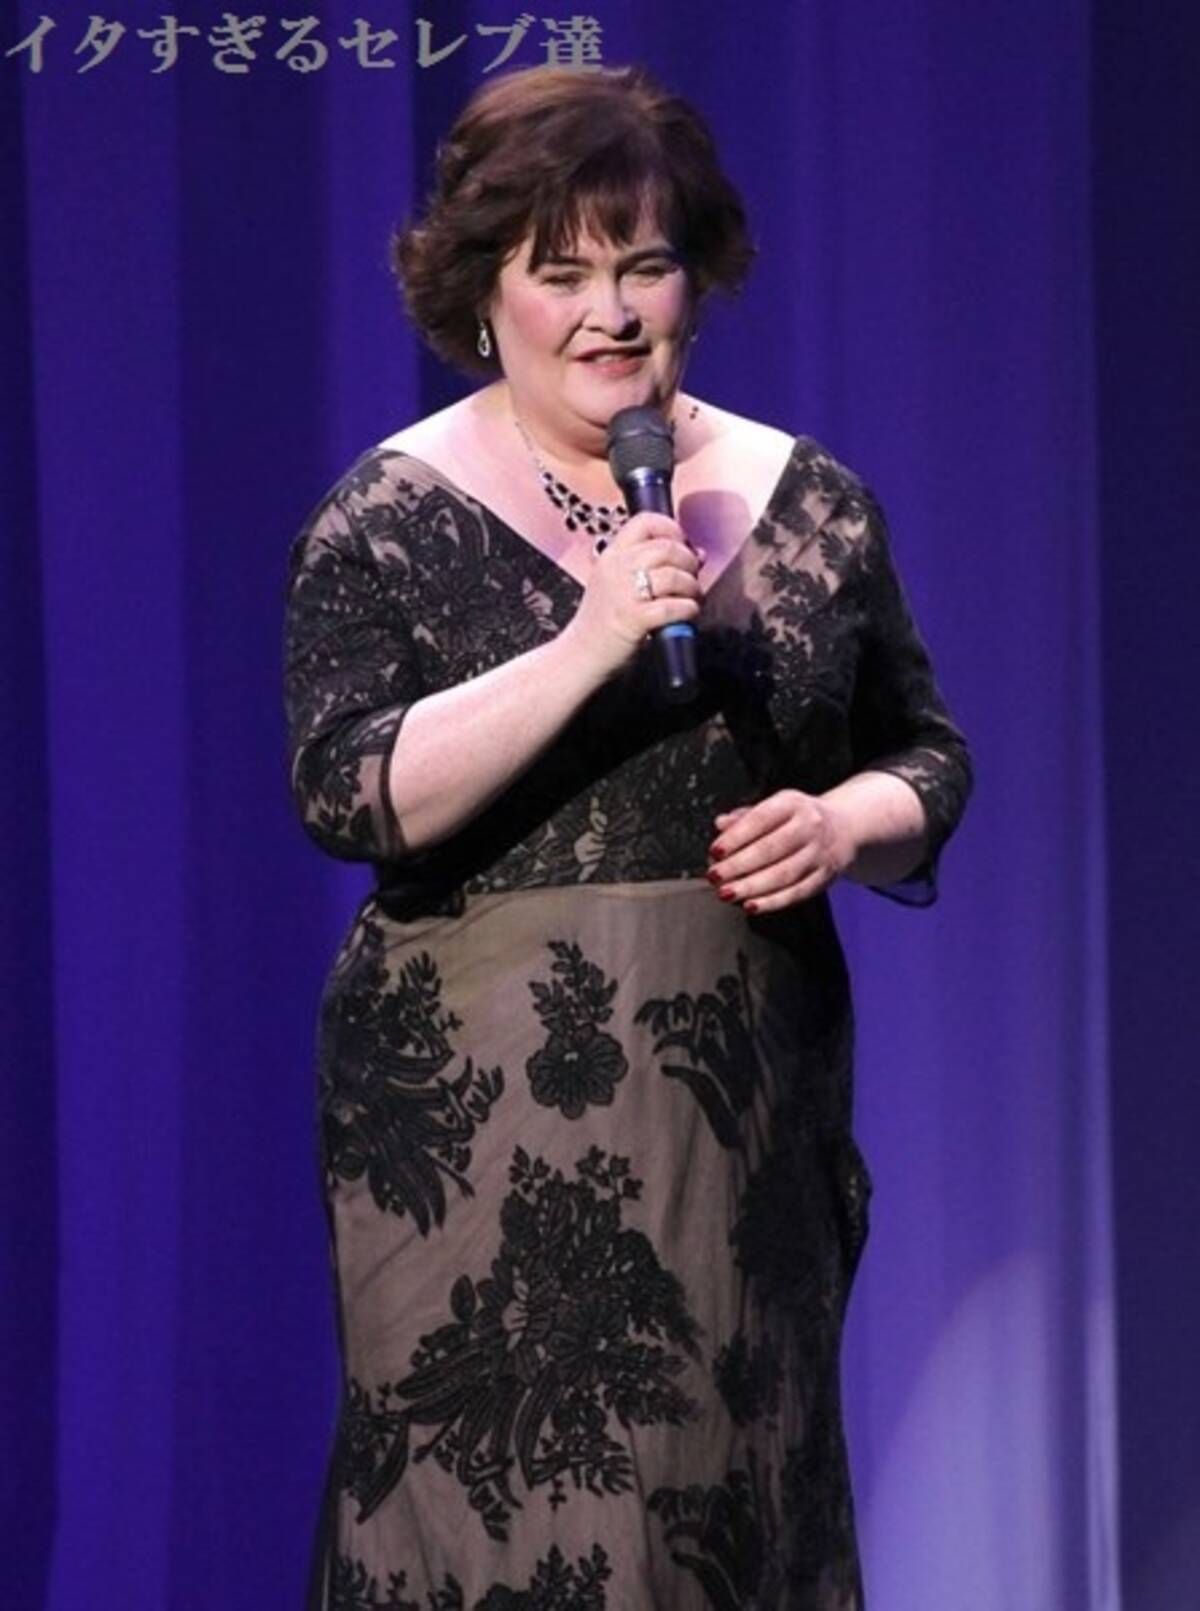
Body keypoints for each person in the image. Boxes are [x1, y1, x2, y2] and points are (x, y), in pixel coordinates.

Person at [284, 63, 971, 1611]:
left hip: (737, 1123)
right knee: (497, 1524)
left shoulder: (808, 501)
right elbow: (343, 788)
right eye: (562, 272)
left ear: (695, 279)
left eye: (644, 266)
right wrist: (587, 642)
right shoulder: (386, 517)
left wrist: (843, 822)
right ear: (483, 293)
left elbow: (928, 755)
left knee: (729, 1518)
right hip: (477, 1133)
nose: (610, 312)